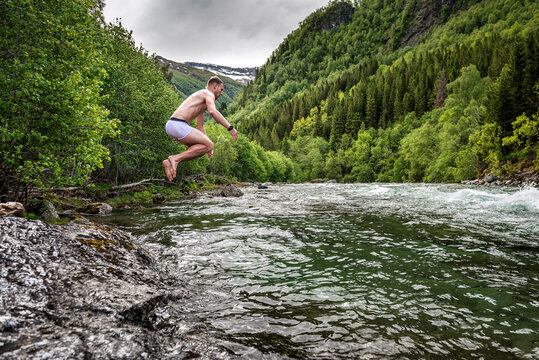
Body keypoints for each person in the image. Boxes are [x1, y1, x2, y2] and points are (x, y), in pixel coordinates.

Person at [163, 76, 238, 181]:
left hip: (172, 125)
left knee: (203, 147)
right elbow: (212, 111)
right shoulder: (208, 93)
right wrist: (230, 127)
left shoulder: (201, 101)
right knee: (209, 145)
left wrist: (208, 147)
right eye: (221, 90)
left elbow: (200, 127)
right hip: (178, 124)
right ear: (215, 86)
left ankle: (169, 162)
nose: (221, 93)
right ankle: (175, 159)